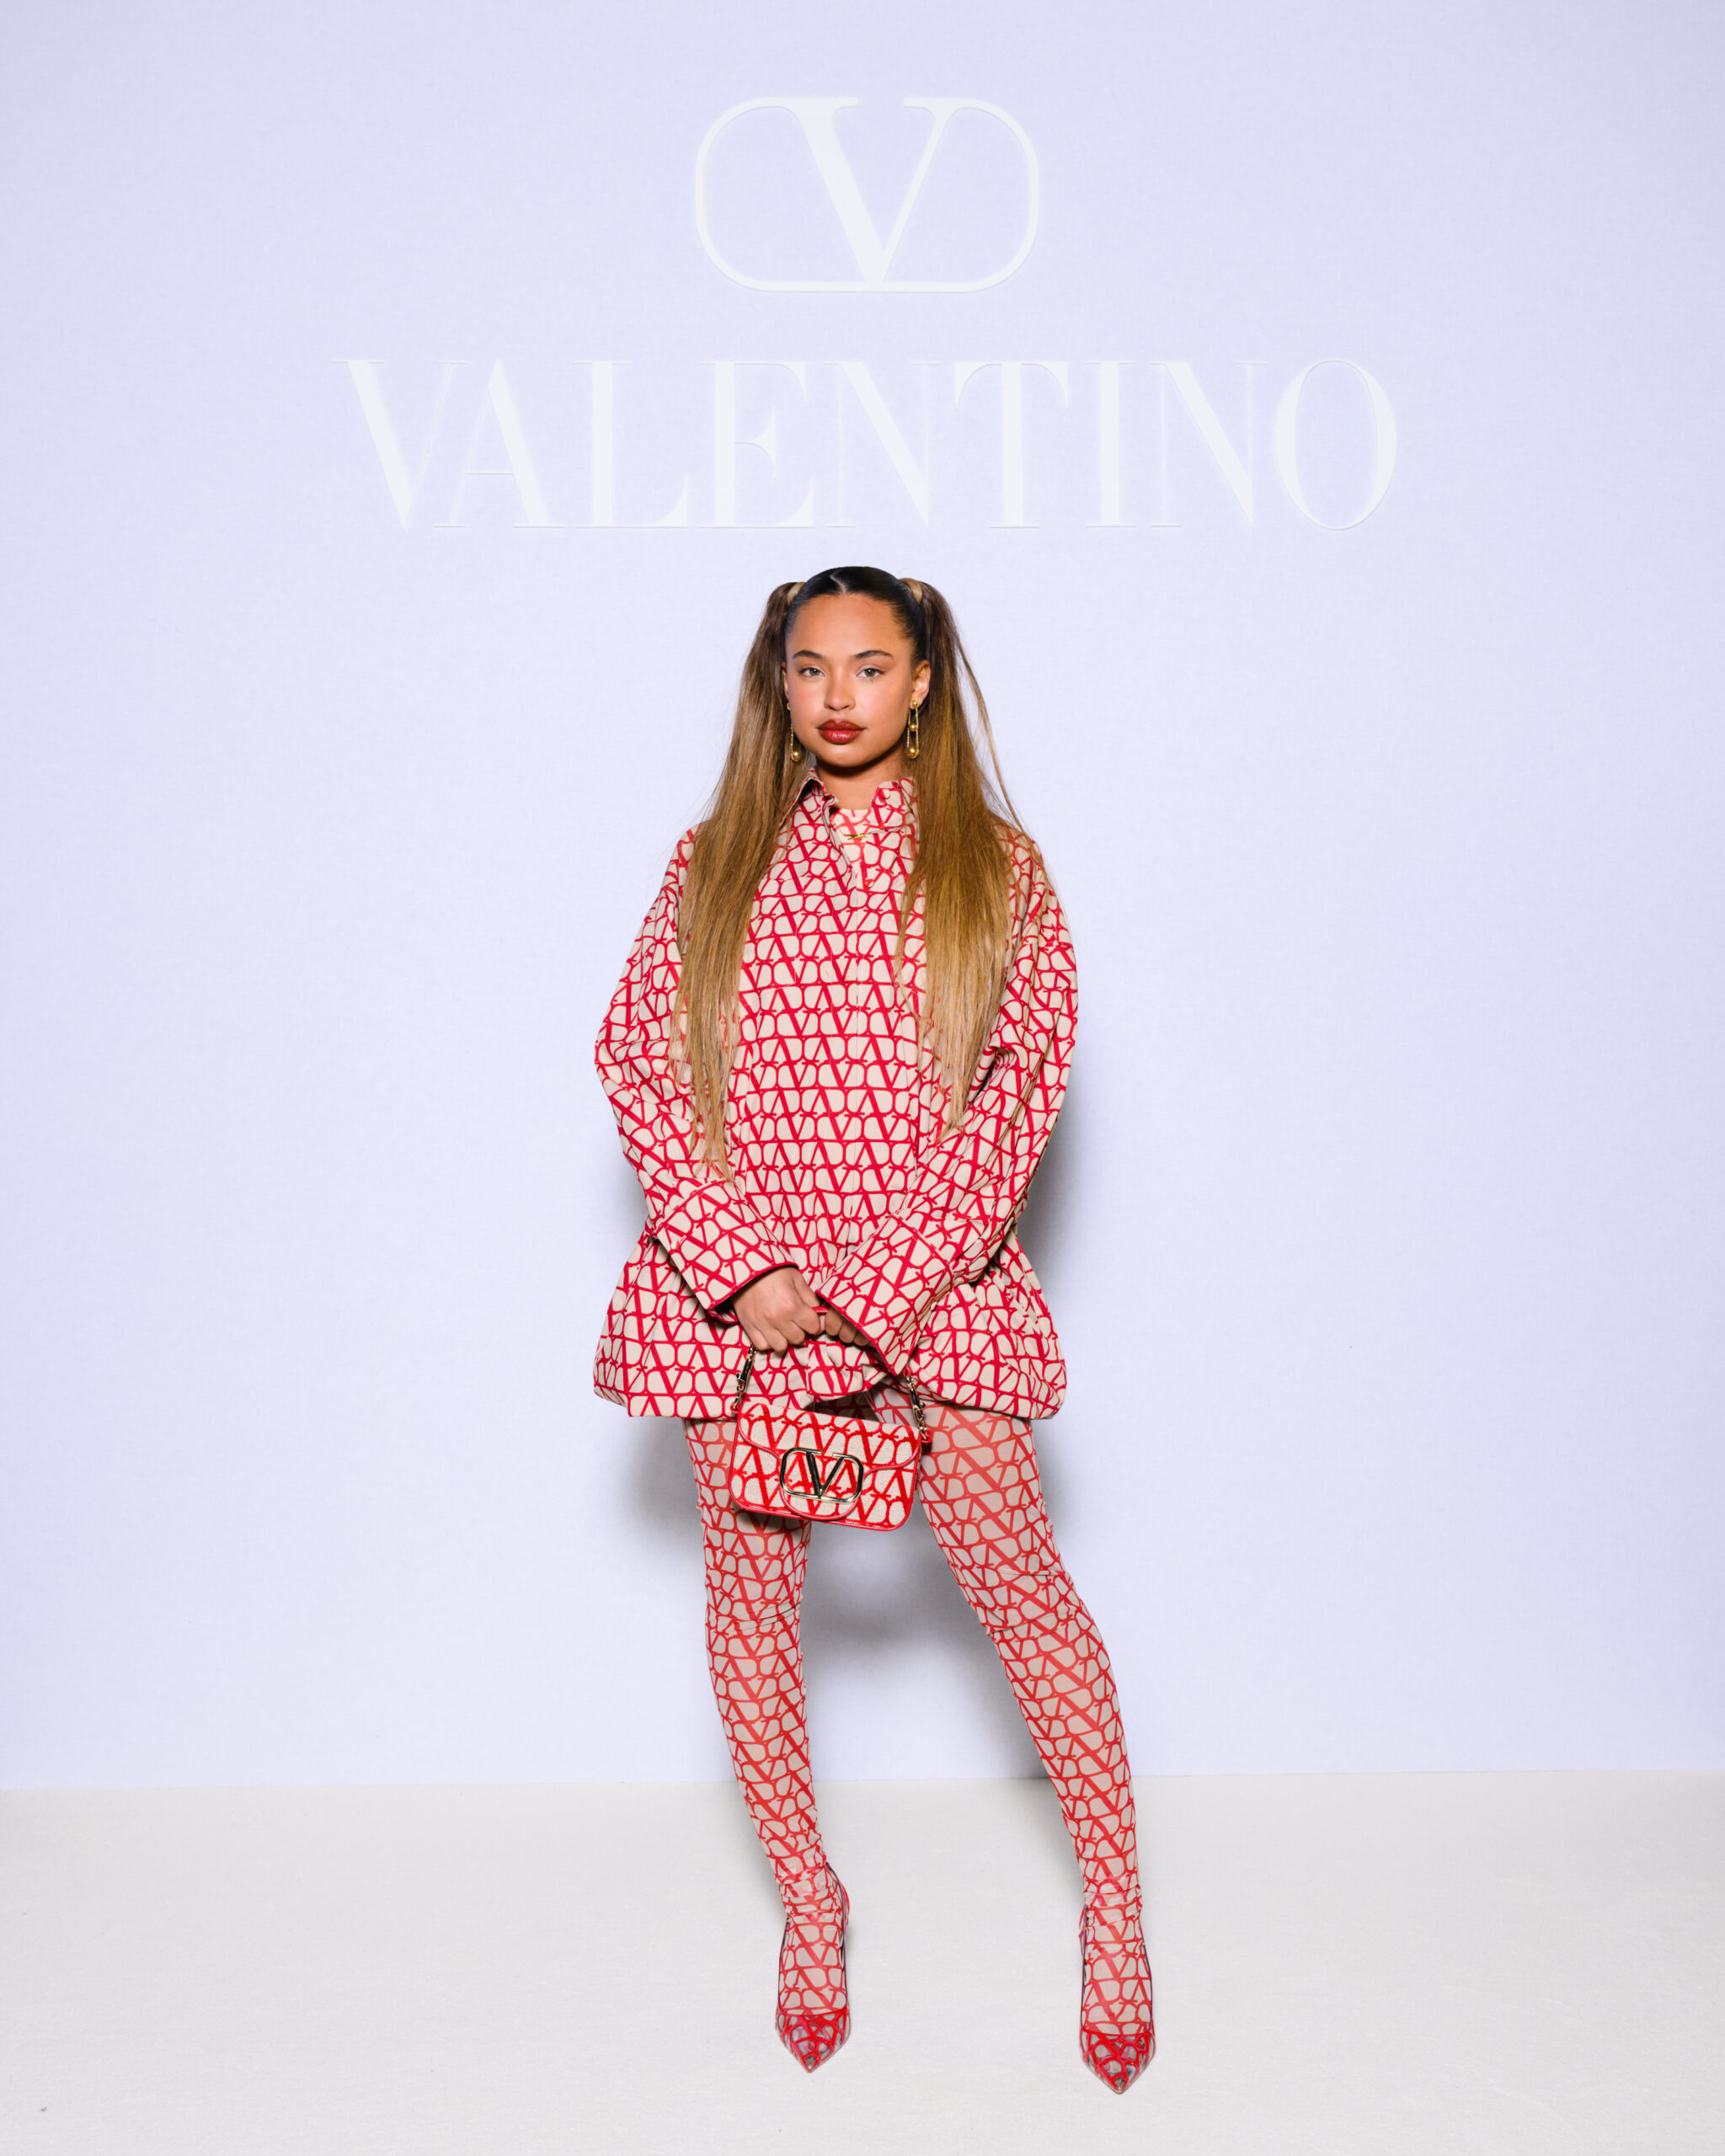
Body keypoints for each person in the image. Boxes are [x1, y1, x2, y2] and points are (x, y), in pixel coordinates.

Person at [592, 567, 1153, 2092]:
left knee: (1024, 1597)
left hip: (932, 1303)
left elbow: (1019, 1093)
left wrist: (879, 1288)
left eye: (871, 666)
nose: (838, 695)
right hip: (751, 1315)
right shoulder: (715, 859)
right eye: (811, 667)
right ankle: (809, 1904)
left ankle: (1113, 1903)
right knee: (752, 1616)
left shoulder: (997, 868)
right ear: (778, 685)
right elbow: (640, 1063)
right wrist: (745, 1270)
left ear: (921, 684)